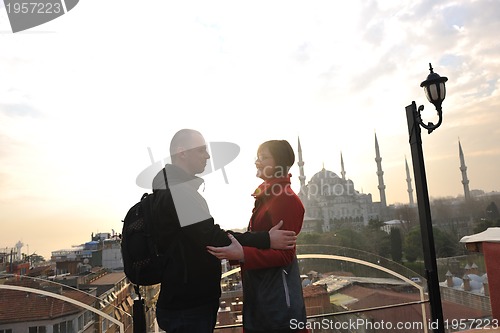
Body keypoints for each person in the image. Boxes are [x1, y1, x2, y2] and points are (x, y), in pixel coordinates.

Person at [151, 129, 297, 333]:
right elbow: (211, 237)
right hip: (189, 304)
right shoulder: (178, 191)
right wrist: (265, 239)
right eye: (202, 150)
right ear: (182, 152)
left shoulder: (171, 188)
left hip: (186, 300)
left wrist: (245, 252)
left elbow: (286, 253)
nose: (208, 156)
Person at [207, 139, 308, 333]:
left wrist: (243, 254)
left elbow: (285, 255)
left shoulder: (285, 199)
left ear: (279, 164)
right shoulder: (270, 196)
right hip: (261, 292)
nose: (257, 162)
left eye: (264, 157)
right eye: (257, 157)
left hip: (277, 300)